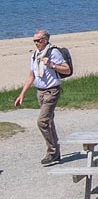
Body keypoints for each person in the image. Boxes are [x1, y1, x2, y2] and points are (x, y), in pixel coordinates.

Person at [14, 30, 72, 166]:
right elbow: (31, 76)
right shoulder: (35, 55)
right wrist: (22, 94)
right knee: (49, 122)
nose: (36, 43)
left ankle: (52, 152)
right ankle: (56, 153)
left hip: (52, 91)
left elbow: (67, 69)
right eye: (34, 40)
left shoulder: (53, 52)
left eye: (39, 40)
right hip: (40, 92)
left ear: (45, 40)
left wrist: (52, 65)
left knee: (42, 122)